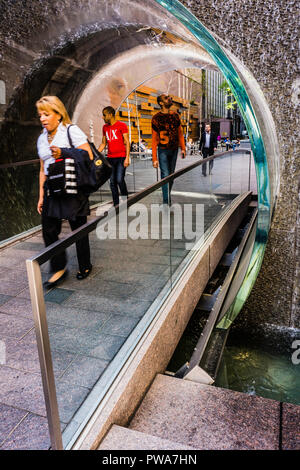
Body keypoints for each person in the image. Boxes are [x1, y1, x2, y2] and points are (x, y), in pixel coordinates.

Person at [36, 95, 93, 288]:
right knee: (49, 230)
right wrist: (41, 196)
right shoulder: (41, 138)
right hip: (52, 188)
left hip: (72, 187)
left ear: (58, 114)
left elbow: (88, 155)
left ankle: (85, 264)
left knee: (79, 229)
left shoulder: (71, 131)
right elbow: (42, 168)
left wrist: (64, 152)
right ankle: (59, 268)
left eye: (46, 114)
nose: (42, 118)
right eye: (40, 115)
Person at [151, 94, 186, 204]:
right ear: (161, 103)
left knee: (171, 176)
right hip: (163, 150)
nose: (169, 99)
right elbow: (154, 139)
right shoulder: (156, 118)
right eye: (166, 98)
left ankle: (167, 196)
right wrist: (154, 158)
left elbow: (180, 133)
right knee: (165, 175)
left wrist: (183, 148)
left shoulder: (175, 116)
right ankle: (166, 202)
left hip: (174, 149)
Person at [98, 106, 130, 206]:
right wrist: (95, 154)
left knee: (120, 180)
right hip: (110, 159)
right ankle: (116, 204)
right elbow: (103, 143)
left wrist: (127, 158)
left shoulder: (122, 125)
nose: (102, 117)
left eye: (104, 115)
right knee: (112, 182)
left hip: (121, 157)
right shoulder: (105, 128)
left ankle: (126, 201)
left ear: (110, 114)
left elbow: (127, 142)